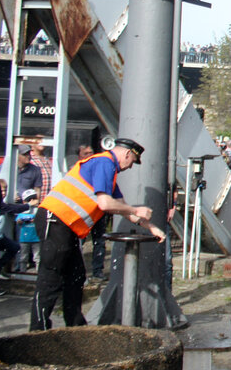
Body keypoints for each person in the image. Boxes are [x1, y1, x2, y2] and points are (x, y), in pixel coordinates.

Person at [30, 138, 166, 330]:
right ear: (127, 154)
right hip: (56, 220)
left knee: (75, 276)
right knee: (51, 277)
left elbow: (123, 209)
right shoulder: (104, 163)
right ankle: (38, 330)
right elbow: (105, 204)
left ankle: (76, 326)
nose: (130, 167)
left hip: (66, 226)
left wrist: (152, 228)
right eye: (132, 161)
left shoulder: (109, 173)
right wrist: (136, 210)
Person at [77, 144, 111, 280]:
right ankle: (78, 271)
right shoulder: (77, 170)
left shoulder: (100, 170)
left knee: (99, 242)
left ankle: (97, 271)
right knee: (79, 242)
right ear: (80, 156)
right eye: (86, 154)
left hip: (98, 212)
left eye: (91, 153)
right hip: (83, 213)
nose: (89, 156)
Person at [0, 179, 24, 297]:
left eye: (5, 190)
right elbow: (13, 208)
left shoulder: (0, 203)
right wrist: (29, 205)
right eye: (1, 190)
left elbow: (11, 206)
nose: (3, 193)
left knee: (14, 247)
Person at [14, 188, 40, 273]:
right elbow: (18, 220)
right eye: (29, 199)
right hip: (24, 238)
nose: (32, 201)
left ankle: (38, 271)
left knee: (37, 256)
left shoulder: (38, 210)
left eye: (34, 198)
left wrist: (36, 219)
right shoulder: (23, 211)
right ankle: (22, 270)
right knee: (23, 256)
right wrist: (20, 220)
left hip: (36, 238)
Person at [29, 136, 53, 202]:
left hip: (48, 199)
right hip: (36, 200)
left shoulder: (47, 159)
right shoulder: (29, 159)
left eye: (44, 140)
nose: (42, 143)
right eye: (39, 140)